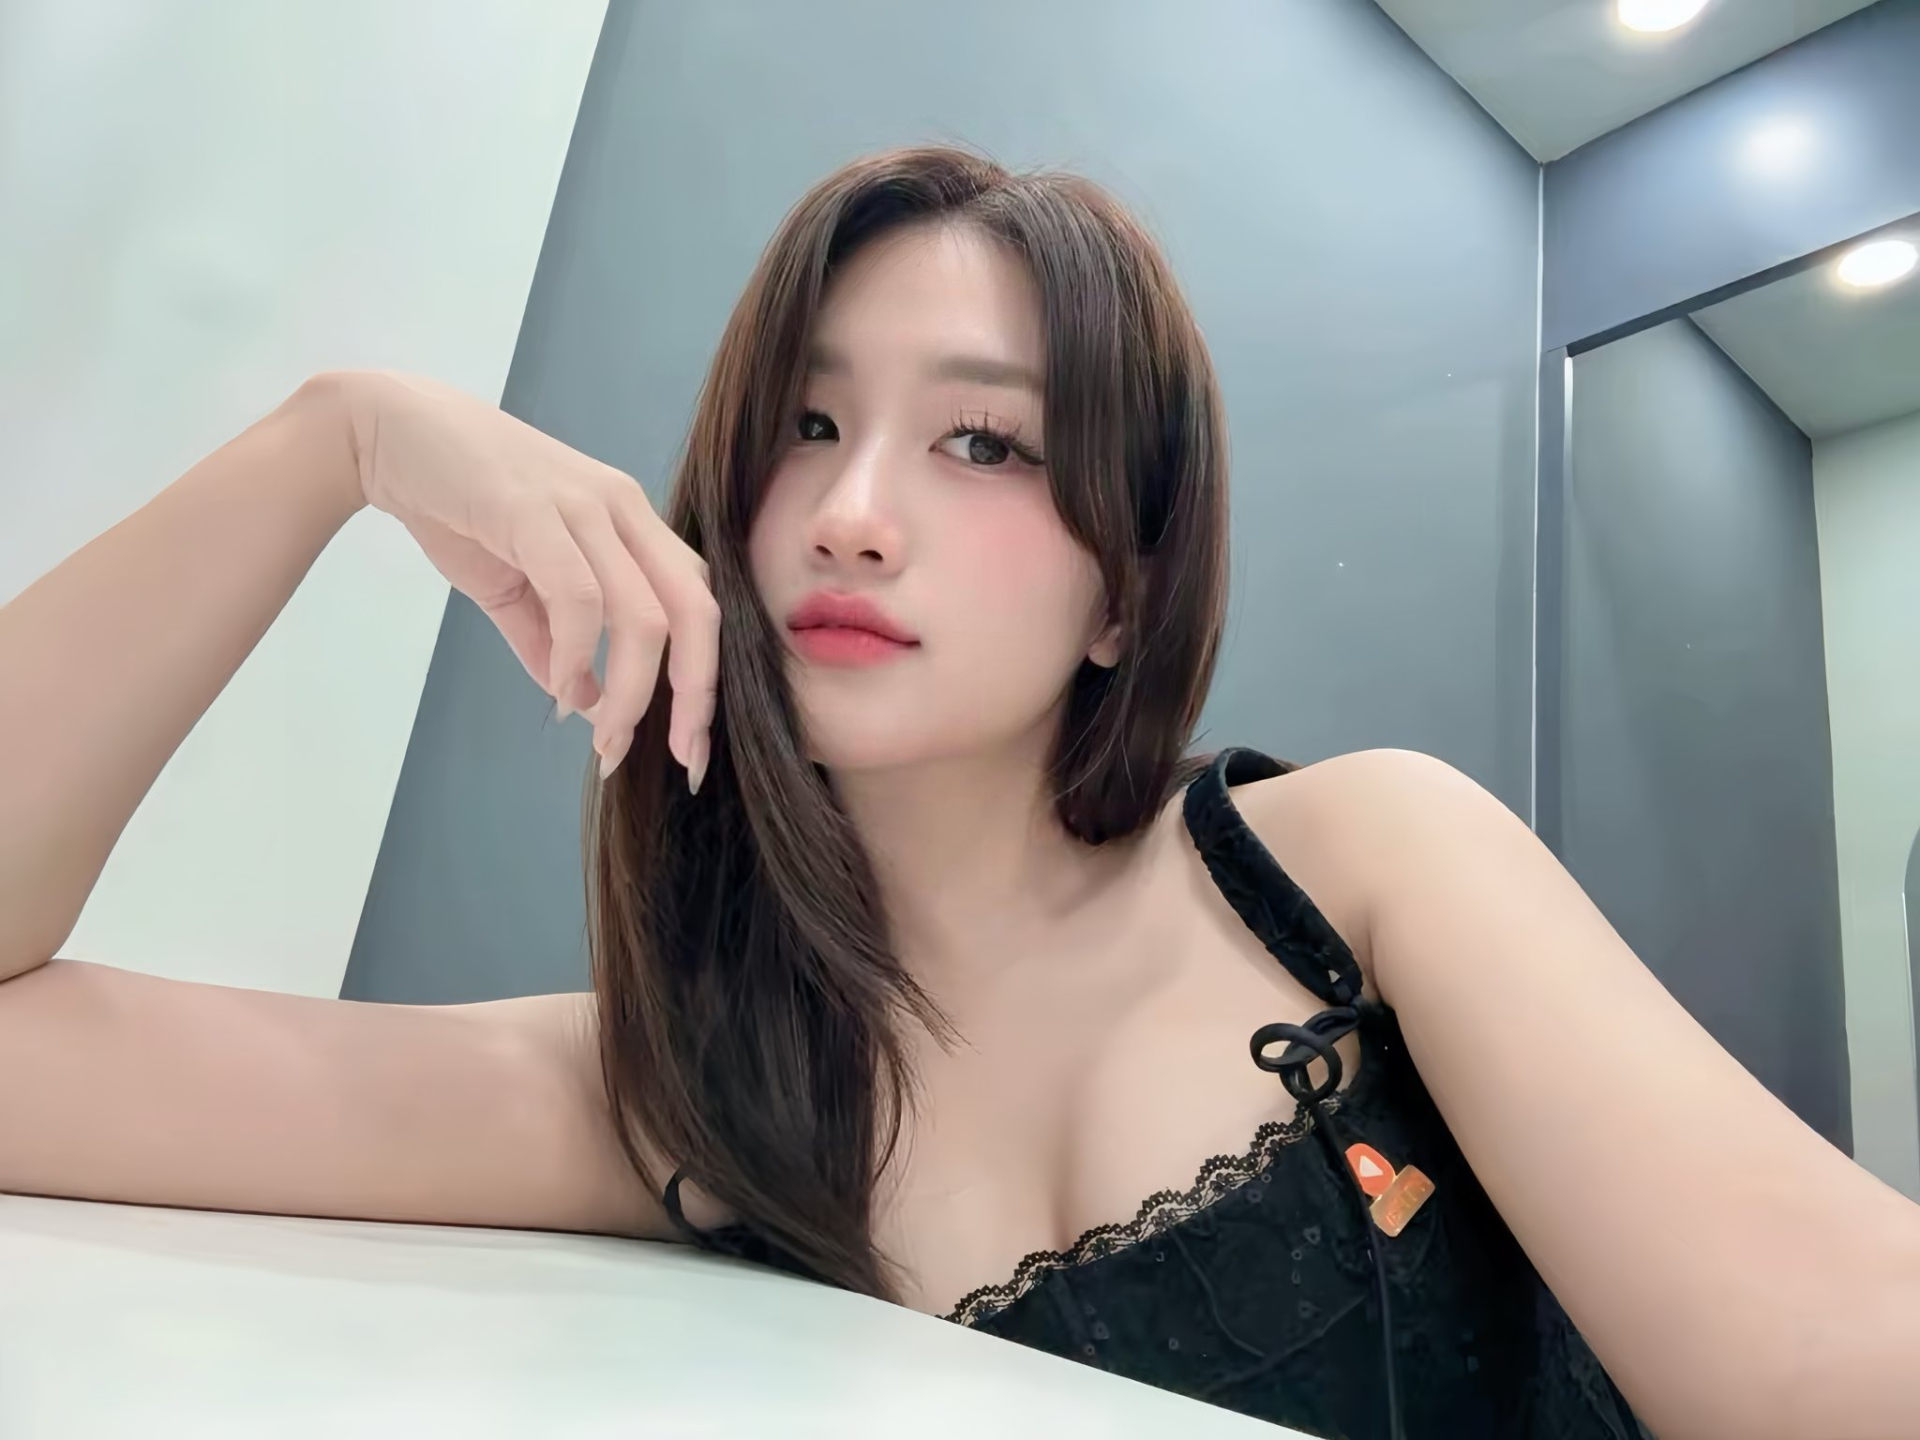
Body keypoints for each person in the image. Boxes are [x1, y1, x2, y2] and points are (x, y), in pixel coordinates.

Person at [0, 146, 1913, 1440]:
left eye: (983, 442)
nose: (849, 512)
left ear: (1126, 591)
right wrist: (334, 441)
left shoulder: (1357, 870)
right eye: (807, 425)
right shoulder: (681, 1093)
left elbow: (1836, 1360)